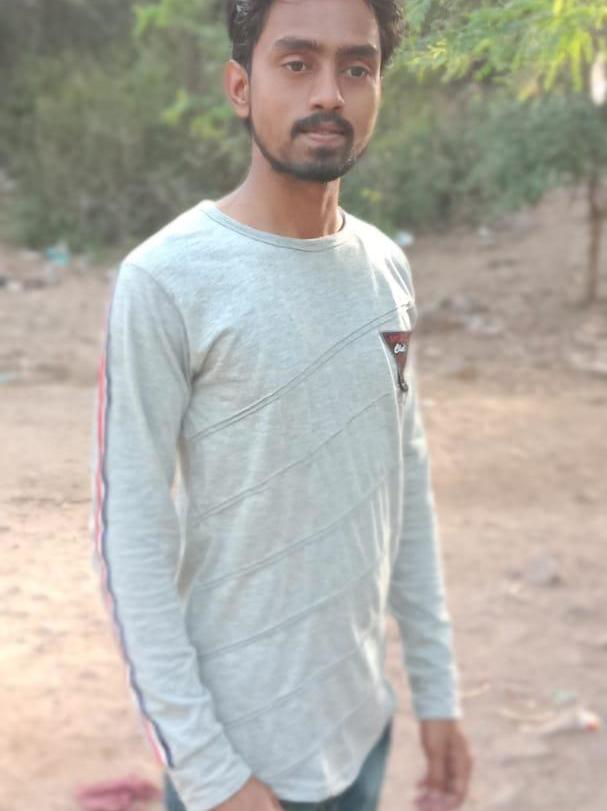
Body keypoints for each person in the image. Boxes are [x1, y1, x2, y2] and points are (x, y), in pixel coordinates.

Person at [89, 1, 474, 810]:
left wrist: (437, 690)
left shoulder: (387, 268)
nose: (328, 92)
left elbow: (403, 483)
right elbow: (130, 537)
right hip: (237, 760)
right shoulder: (166, 279)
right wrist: (209, 771)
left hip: (362, 734)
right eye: (296, 63)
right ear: (240, 86)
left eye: (356, 67)